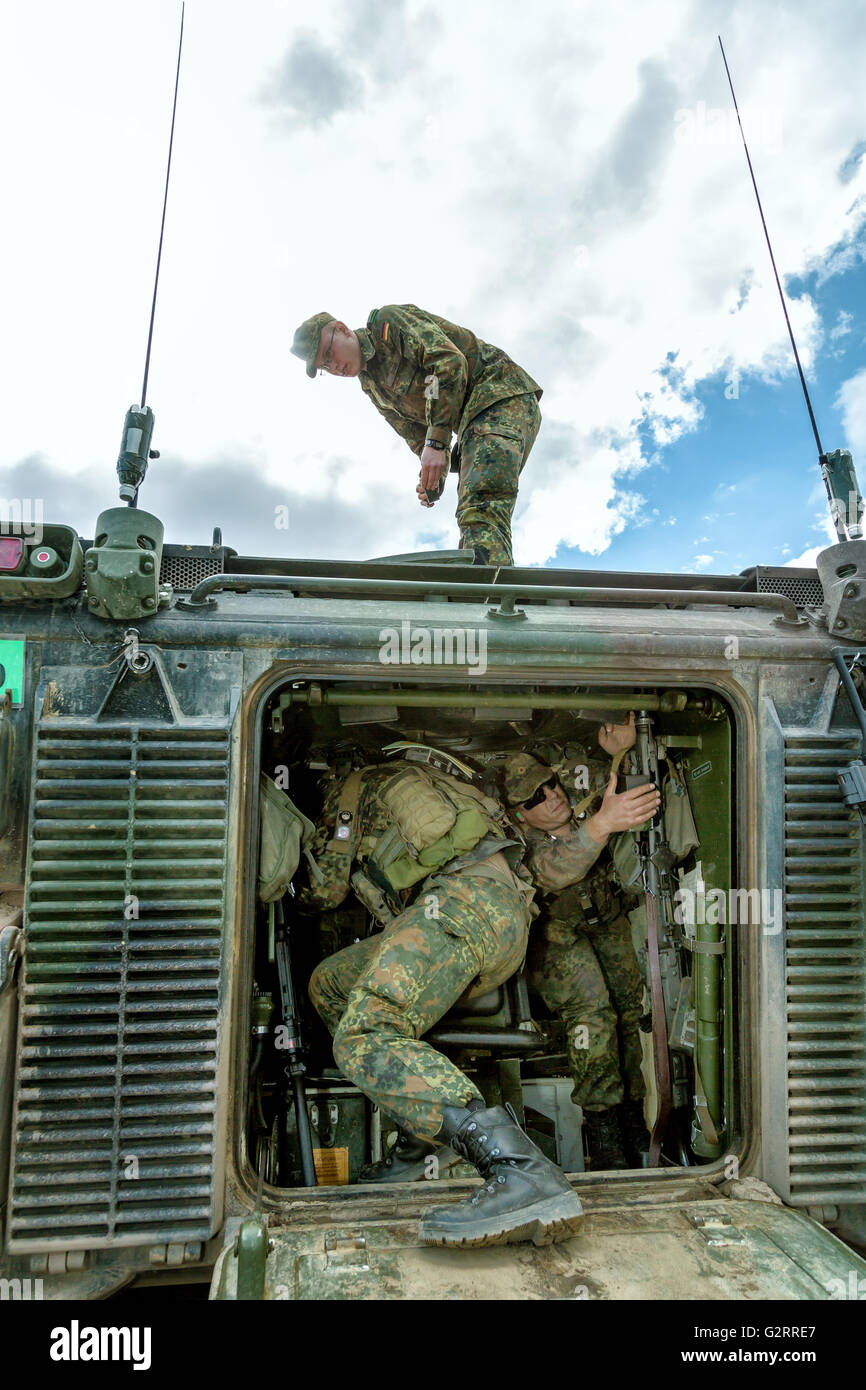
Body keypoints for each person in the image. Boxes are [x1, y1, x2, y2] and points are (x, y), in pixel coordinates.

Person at [297, 753, 584, 1247]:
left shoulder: (349, 794)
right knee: (330, 983)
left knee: (364, 1035)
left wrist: (290, 891)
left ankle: (520, 1171)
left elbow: (325, 889)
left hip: (461, 906)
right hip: (494, 915)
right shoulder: (427, 779)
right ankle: (422, 1133)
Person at [500, 715, 660, 1169]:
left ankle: (635, 1121)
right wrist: (600, 825)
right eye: (534, 797)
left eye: (548, 785)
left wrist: (620, 754)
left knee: (632, 1012)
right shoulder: (517, 843)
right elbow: (556, 870)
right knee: (594, 1015)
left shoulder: (581, 800)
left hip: (605, 919)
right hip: (557, 934)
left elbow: (618, 795)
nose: (551, 796)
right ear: (519, 814)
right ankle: (604, 1132)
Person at [290, 305, 542, 567]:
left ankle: (497, 600)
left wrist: (437, 442)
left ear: (342, 330)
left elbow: (447, 363)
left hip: (498, 394)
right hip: (476, 419)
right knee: (472, 520)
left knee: (481, 508)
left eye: (329, 353)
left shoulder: (385, 325)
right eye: (324, 366)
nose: (334, 367)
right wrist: (433, 477)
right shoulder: (372, 386)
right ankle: (483, 595)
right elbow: (418, 438)